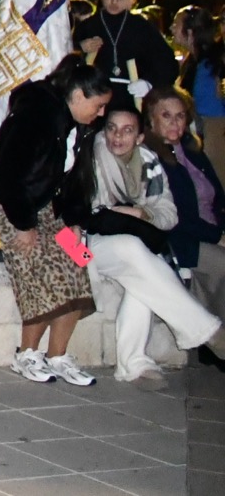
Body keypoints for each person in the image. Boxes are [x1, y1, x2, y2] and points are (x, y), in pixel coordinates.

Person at [83, 98, 225, 383]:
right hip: (77, 244)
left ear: (140, 137)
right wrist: (123, 214)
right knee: (137, 251)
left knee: (145, 267)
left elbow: (169, 214)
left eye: (127, 130)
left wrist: (139, 213)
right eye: (111, 128)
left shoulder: (150, 163)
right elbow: (81, 214)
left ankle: (134, 363)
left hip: (128, 245)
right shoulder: (92, 157)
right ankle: (209, 332)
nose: (117, 136)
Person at [0, 55, 112, 385]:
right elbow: (7, 173)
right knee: (41, 273)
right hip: (18, 207)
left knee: (79, 262)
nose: (102, 114)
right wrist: (24, 224)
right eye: (99, 106)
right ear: (79, 96)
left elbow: (76, 180)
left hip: (55, 209)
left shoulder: (81, 127)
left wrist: (74, 219)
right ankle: (27, 354)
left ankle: (58, 355)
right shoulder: (36, 114)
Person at [142, 85, 225, 367]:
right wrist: (216, 234)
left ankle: (210, 342)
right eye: (166, 116)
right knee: (222, 264)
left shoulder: (190, 149)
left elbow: (217, 196)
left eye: (180, 116)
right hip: (180, 238)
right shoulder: (151, 157)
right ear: (152, 120)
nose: (175, 123)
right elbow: (176, 216)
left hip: (209, 230)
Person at [75, 0, 176, 103]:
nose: (114, 2)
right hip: (96, 100)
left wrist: (149, 82)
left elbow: (168, 63)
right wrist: (80, 48)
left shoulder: (142, 27)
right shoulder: (88, 27)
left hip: (133, 99)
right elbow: (68, 61)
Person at [174, 6, 225, 183]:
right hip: (203, 129)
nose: (172, 28)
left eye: (176, 24)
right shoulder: (197, 60)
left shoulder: (210, 62)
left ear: (190, 32)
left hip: (214, 130)